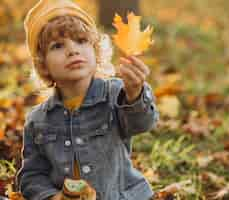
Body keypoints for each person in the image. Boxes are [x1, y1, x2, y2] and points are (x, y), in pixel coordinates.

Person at [16, 0, 159, 200]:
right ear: (43, 64)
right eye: (58, 46)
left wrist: (135, 93)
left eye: (81, 41)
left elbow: (142, 123)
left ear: (96, 51)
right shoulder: (38, 120)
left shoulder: (116, 94)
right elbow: (32, 176)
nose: (72, 50)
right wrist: (52, 197)